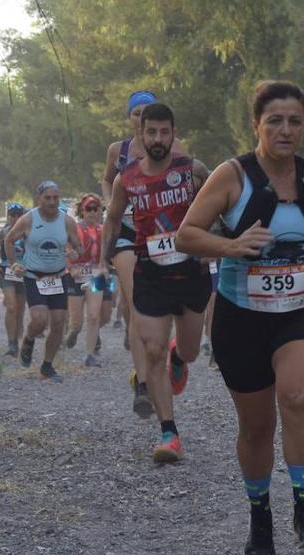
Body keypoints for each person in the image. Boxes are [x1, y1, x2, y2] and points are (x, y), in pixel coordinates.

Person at [177, 79, 304, 555]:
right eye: (274, 120)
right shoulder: (232, 176)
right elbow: (186, 235)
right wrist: (230, 246)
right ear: (256, 125)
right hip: (242, 316)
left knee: (296, 394)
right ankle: (260, 516)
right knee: (256, 426)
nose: (285, 130)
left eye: (295, 121)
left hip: (303, 306)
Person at [103, 102, 209, 464]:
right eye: (152, 132)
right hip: (151, 274)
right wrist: (105, 257)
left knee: (191, 350)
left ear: (174, 134)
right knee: (151, 352)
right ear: (141, 134)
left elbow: (222, 208)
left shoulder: (192, 170)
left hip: (190, 273)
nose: (158, 138)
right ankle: (169, 433)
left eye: (165, 132)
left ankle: (181, 355)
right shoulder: (126, 179)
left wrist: (217, 245)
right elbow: (114, 219)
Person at [103, 91, 188, 417]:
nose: (141, 118)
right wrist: (114, 204)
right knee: (138, 302)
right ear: (131, 120)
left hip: (164, 232)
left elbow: (189, 186)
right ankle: (142, 382)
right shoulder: (117, 150)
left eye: (146, 112)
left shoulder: (175, 149)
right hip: (128, 230)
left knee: (177, 304)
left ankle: (178, 353)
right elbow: (108, 181)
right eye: (136, 113)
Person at [5, 181, 84, 382]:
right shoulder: (28, 219)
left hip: (58, 277)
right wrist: (14, 264)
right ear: (39, 199)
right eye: (47, 198)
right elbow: (9, 240)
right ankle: (29, 340)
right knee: (40, 320)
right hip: (34, 277)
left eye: (55, 198)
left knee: (58, 323)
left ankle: (47, 367)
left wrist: (75, 253)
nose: (52, 202)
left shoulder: (67, 221)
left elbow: (80, 246)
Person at [65, 194, 109, 367]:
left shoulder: (104, 230)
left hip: (96, 274)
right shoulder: (74, 229)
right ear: (82, 211)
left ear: (100, 210)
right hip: (76, 275)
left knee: (93, 315)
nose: (91, 212)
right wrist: (71, 267)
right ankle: (74, 331)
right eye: (88, 209)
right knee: (77, 320)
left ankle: (89, 355)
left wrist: (104, 265)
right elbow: (67, 250)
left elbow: (106, 253)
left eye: (95, 208)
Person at [0, 203, 28, 357]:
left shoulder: (27, 233)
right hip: (7, 272)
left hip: (24, 274)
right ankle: (12, 343)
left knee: (20, 310)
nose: (15, 218)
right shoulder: (2, 233)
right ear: (8, 216)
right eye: (12, 215)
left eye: (18, 215)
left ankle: (18, 334)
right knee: (11, 306)